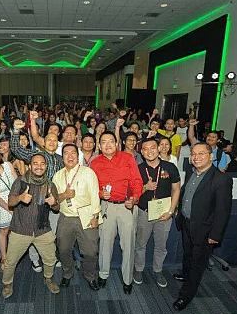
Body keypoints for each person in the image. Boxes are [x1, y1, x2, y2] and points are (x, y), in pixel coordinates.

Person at [172, 142, 232, 311]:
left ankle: (186, 296)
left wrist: (215, 235)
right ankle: (185, 274)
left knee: (197, 264)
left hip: (205, 231)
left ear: (211, 156)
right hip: (186, 223)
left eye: (201, 154)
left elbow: (223, 210)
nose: (196, 157)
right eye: (194, 154)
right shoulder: (194, 174)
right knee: (188, 255)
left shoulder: (221, 178)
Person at [90, 132, 143, 294]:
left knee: (128, 244)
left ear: (117, 143)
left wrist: (134, 198)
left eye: (111, 141)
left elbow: (137, 181)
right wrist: (100, 193)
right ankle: (103, 274)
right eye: (104, 142)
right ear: (99, 146)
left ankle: (127, 279)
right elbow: (91, 187)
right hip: (107, 207)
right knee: (105, 243)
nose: (108, 145)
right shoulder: (95, 163)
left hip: (127, 206)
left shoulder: (127, 158)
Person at [2, 153, 60, 298]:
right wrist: (20, 197)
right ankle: (7, 283)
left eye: (42, 164)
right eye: (35, 163)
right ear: (30, 165)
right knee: (10, 262)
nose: (39, 166)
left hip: (42, 229)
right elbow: (10, 202)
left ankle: (48, 278)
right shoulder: (20, 182)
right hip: (21, 229)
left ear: (46, 167)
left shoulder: (50, 185)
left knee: (50, 259)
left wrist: (54, 203)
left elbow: (56, 208)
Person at [11, 118, 63, 272]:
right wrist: (15, 131)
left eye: (55, 140)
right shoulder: (36, 155)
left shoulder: (60, 160)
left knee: (50, 233)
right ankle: (34, 260)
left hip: (51, 201)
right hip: (33, 199)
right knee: (31, 230)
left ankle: (50, 257)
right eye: (49, 140)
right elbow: (16, 149)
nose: (52, 142)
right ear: (44, 142)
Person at [53, 144, 101, 290]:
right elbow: (55, 199)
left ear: (77, 155)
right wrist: (64, 195)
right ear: (62, 157)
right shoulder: (57, 175)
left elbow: (95, 195)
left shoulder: (88, 172)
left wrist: (95, 216)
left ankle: (90, 276)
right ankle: (67, 274)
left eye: (73, 153)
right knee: (63, 249)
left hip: (87, 216)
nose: (70, 156)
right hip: (66, 217)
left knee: (90, 252)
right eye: (66, 153)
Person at [133, 138, 181, 287]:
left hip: (164, 213)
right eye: (145, 149)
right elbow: (133, 193)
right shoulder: (138, 169)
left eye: (153, 147)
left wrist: (171, 211)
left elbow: (176, 189)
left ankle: (158, 270)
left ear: (159, 148)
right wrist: (145, 188)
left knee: (161, 245)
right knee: (140, 244)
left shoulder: (170, 167)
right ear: (141, 152)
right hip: (144, 212)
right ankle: (138, 269)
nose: (149, 151)